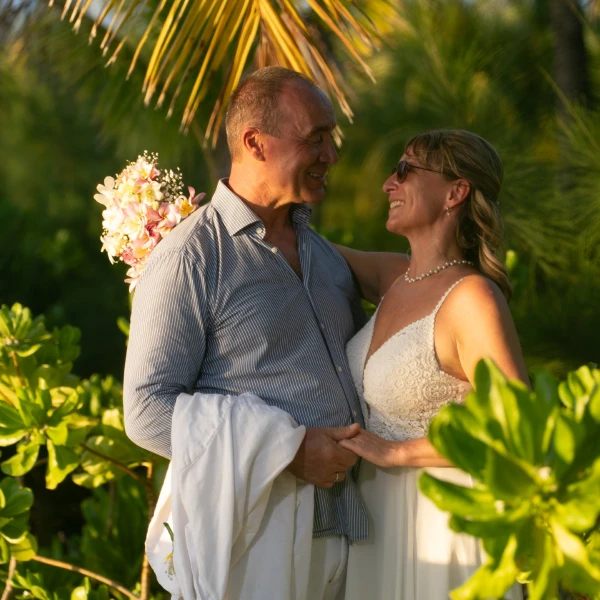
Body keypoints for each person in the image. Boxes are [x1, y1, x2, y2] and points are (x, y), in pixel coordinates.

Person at [123, 67, 369, 599]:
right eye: (316, 139)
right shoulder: (190, 259)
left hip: (359, 532)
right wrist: (288, 450)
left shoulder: (326, 259)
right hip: (258, 537)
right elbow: (145, 411)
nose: (330, 156)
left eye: (331, 139)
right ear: (255, 142)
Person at [334, 129, 528, 599]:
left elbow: (516, 434)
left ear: (455, 192)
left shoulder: (472, 299)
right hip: (377, 527)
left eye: (404, 170)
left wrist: (400, 452)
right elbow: (293, 248)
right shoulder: (392, 278)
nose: (387, 184)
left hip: (446, 524)